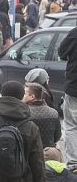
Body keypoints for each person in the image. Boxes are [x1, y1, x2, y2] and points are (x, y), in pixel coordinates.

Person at [23, 82, 61, 151]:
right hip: (49, 154)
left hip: (30, 154)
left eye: (25, 94)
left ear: (32, 97)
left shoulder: (24, 113)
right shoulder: (54, 113)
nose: (23, 96)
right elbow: (57, 136)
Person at [59, 26, 77, 165]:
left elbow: (62, 52)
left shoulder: (74, 33)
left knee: (71, 125)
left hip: (74, 87)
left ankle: (73, 163)